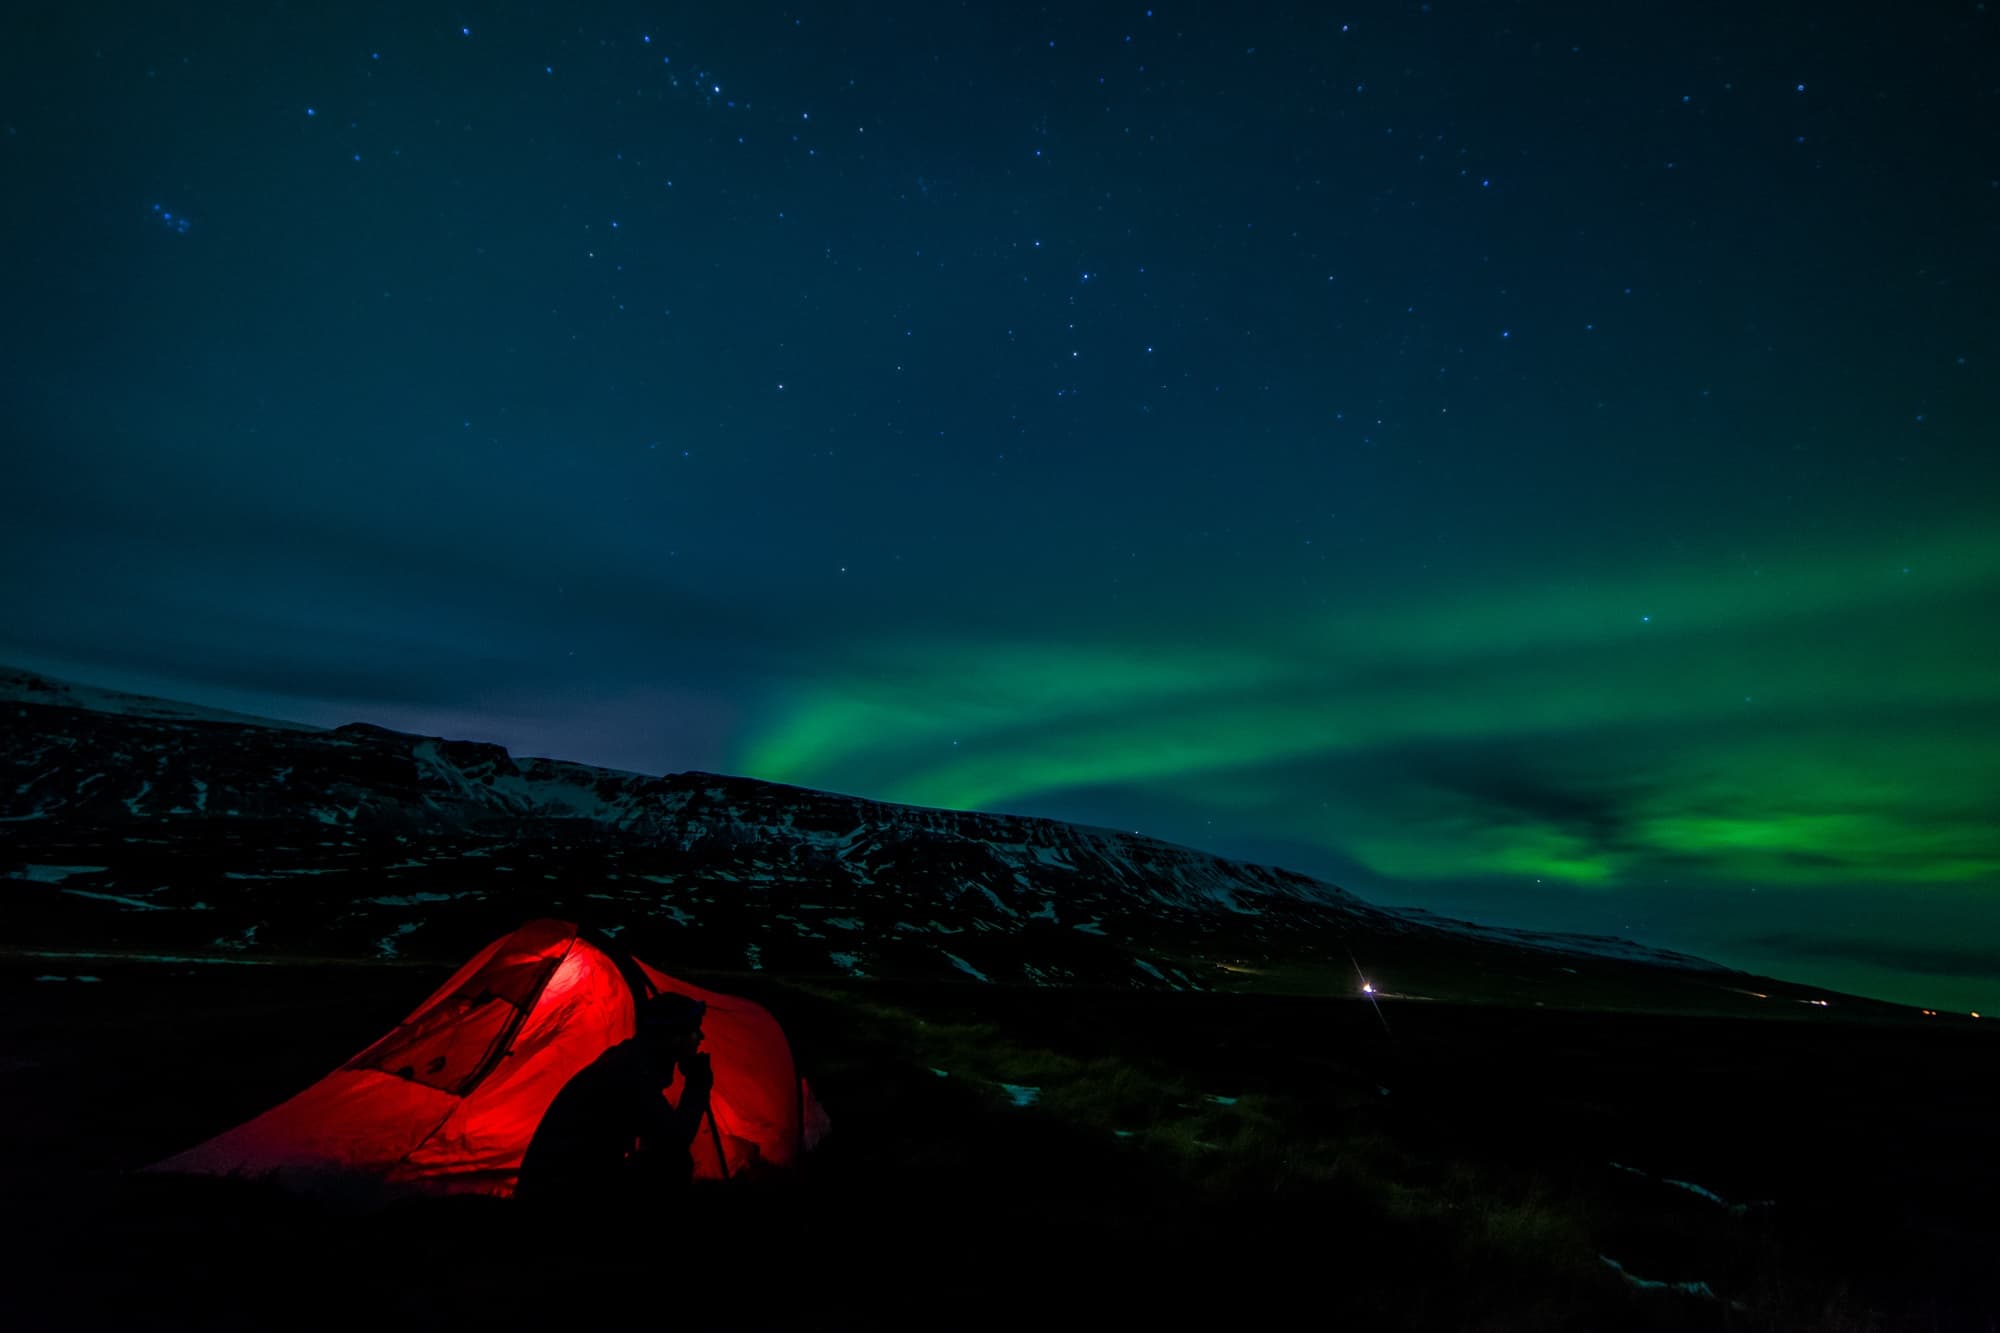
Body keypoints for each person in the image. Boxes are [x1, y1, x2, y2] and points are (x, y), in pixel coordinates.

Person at [515, 992, 715, 1205]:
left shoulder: (629, 1062)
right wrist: (697, 1086)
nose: (700, 1037)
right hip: (558, 1192)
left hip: (559, 1183)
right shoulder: (630, 1075)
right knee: (674, 1164)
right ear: (671, 1036)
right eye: (693, 1030)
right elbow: (675, 1141)